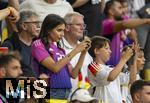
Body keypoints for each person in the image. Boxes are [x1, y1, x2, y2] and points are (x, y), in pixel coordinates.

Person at [31, 14, 91, 99]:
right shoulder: (38, 44)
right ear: (48, 30)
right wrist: (76, 50)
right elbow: (55, 68)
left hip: (66, 92)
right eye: (59, 30)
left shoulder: (59, 49)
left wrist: (83, 53)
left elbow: (74, 74)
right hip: (51, 91)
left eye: (63, 31)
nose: (62, 34)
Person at [102, 0, 150, 66]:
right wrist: (146, 21)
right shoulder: (106, 24)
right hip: (109, 68)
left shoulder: (121, 25)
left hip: (120, 68)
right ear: (111, 11)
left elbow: (134, 45)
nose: (123, 11)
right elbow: (124, 24)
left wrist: (132, 38)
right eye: (120, 8)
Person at [88, 36, 133, 103]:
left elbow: (131, 79)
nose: (110, 51)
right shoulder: (92, 66)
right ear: (96, 51)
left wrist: (133, 59)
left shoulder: (111, 69)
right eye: (107, 48)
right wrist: (123, 59)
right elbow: (110, 77)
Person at [1, 10, 41, 77]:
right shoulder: (7, 44)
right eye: (35, 23)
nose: (38, 26)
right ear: (24, 26)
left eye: (39, 23)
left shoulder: (39, 45)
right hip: (17, 86)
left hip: (35, 85)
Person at [61, 12, 93, 91]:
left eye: (83, 25)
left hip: (84, 97)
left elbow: (93, 75)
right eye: (78, 25)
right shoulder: (57, 47)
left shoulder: (86, 48)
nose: (82, 28)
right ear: (67, 27)